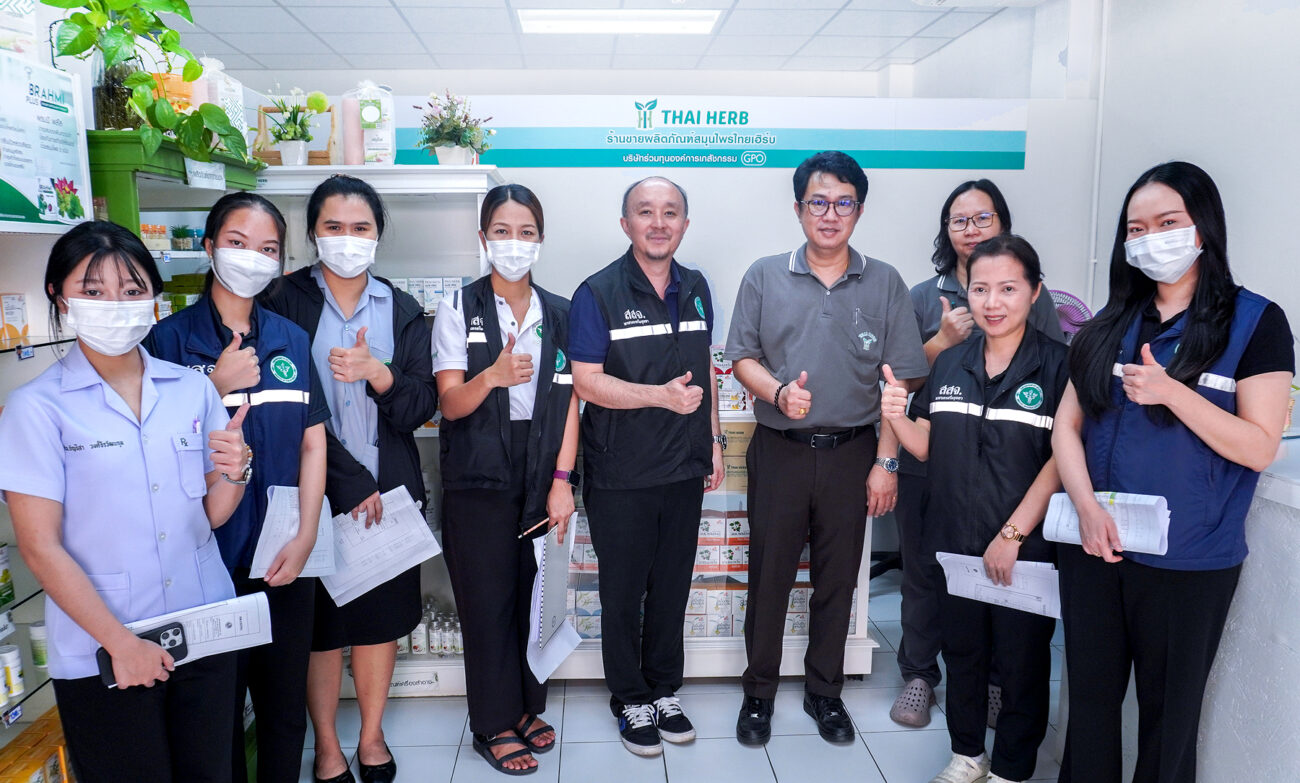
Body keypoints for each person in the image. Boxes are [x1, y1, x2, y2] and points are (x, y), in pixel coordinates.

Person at [1053, 161, 1293, 783]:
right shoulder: (1107, 326)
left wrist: (1171, 392)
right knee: (1090, 711)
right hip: (1095, 547)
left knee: (1169, 725)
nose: (1150, 239)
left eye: (1167, 223)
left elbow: (1260, 446)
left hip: (1188, 561)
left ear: (1203, 228)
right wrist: (1086, 509)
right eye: (1136, 229)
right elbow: (1065, 429)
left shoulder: (1255, 323)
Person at [0, 221, 250, 782]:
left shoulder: (190, 389)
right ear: (59, 298)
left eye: (132, 290)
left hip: (201, 629)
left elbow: (208, 517)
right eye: (93, 290)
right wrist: (122, 644)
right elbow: (39, 547)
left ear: (153, 299)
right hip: (102, 649)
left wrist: (238, 471)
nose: (115, 305)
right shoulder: (36, 408)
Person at [724, 151, 928, 746]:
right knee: (769, 577)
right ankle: (758, 693)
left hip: (853, 452)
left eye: (843, 203)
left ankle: (825, 692)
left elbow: (900, 382)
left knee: (838, 580)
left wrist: (886, 462)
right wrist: (778, 392)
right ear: (798, 209)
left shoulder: (884, 281)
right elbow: (742, 358)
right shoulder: (765, 274)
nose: (830, 214)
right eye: (818, 201)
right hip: (780, 450)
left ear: (858, 211)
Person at [143, 192, 330, 783]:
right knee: (214, 716)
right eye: (237, 243)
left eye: (268, 249)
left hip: (283, 556)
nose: (253, 258)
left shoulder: (290, 339)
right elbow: (150, 453)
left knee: (283, 709)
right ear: (209, 246)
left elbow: (313, 443)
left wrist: (306, 536)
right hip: (205, 564)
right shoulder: (166, 343)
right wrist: (213, 386)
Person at [260, 174, 438, 783]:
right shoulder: (281, 301)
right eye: (333, 226)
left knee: (377, 624)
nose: (347, 238)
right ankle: (329, 746)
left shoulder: (401, 308)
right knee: (318, 631)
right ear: (313, 233)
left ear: (377, 235)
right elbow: (281, 410)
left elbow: (419, 406)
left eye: (360, 227)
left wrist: (378, 373)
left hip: (387, 496)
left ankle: (371, 736)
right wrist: (348, 479)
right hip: (311, 494)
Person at [883, 234, 1066, 783]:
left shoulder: (1059, 367)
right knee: (962, 654)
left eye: (1008, 288)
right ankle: (967, 755)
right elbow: (927, 446)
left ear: (1034, 292)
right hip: (955, 541)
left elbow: (1061, 460)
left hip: (1024, 546)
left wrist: (1013, 535)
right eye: (980, 289)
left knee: (1022, 662)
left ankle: (1010, 768)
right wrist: (893, 414)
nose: (992, 302)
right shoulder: (950, 363)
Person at [569, 176, 724, 757]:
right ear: (625, 223)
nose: (658, 223)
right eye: (645, 212)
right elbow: (586, 382)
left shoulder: (697, 286)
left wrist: (713, 440)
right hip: (622, 472)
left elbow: (705, 369)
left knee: (671, 587)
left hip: (684, 466)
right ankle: (630, 696)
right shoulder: (598, 292)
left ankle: (663, 689)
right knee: (623, 590)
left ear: (685, 223)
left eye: (670, 212)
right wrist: (659, 397)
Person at [433, 184, 579, 776]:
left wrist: (563, 479)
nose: (514, 243)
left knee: (533, 593)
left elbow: (571, 403)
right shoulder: (458, 307)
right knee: (487, 598)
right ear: (483, 237)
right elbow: (449, 404)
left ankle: (524, 708)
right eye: (502, 231)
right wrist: (490, 376)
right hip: (477, 470)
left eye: (525, 233)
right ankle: (492, 722)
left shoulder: (561, 312)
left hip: (542, 463)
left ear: (540, 240)